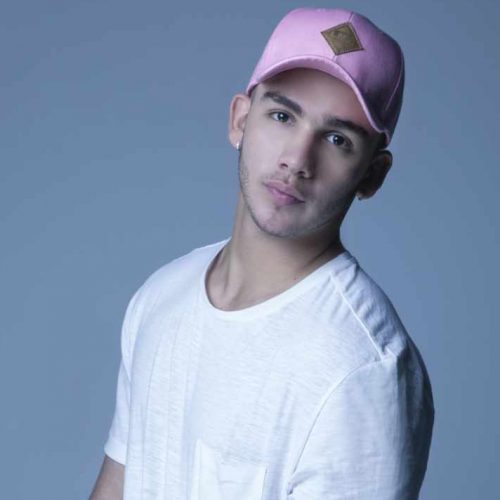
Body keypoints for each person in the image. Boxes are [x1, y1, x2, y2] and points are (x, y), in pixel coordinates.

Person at [90, 7, 434, 500]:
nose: (297, 159)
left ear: (372, 175)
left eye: (337, 139)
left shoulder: (362, 372)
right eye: (282, 116)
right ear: (240, 120)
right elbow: (118, 485)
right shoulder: (161, 297)